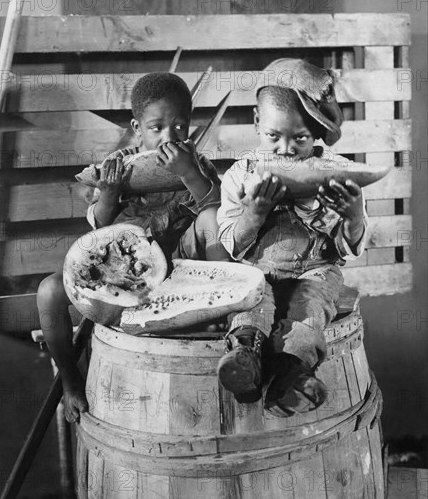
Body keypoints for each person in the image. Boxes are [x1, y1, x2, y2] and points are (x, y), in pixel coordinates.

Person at [37, 72, 228, 423]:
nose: (169, 138)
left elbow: (217, 207)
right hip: (125, 271)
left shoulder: (195, 162)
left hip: (183, 266)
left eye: (180, 127)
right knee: (49, 291)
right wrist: (109, 194)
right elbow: (98, 228)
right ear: (137, 128)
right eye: (156, 128)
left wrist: (189, 174)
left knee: (213, 217)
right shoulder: (116, 166)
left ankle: (232, 315)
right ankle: (69, 376)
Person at [216, 59, 368, 417]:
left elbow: (349, 248)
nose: (285, 149)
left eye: (299, 138)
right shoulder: (240, 175)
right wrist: (254, 212)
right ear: (256, 123)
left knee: (311, 306)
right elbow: (233, 246)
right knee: (252, 299)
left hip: (315, 270)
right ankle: (245, 359)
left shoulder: (338, 174)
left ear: (315, 132)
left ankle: (290, 372)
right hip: (260, 270)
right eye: (273, 137)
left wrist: (353, 214)